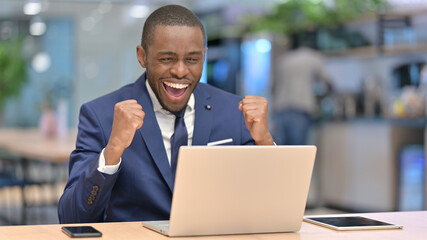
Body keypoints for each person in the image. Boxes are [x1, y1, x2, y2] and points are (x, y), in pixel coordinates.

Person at [58, 4, 274, 223]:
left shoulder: (234, 111)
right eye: (167, 59)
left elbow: (271, 205)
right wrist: (113, 149)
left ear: (203, 56)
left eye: (192, 59)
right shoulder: (100, 115)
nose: (180, 72)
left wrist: (264, 141)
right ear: (142, 57)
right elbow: (72, 217)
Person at [273, 46, 330, 145]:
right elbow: (326, 82)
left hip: (280, 108)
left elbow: (274, 85)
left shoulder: (284, 59)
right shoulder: (314, 57)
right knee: (299, 152)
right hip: (300, 107)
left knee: (281, 151)